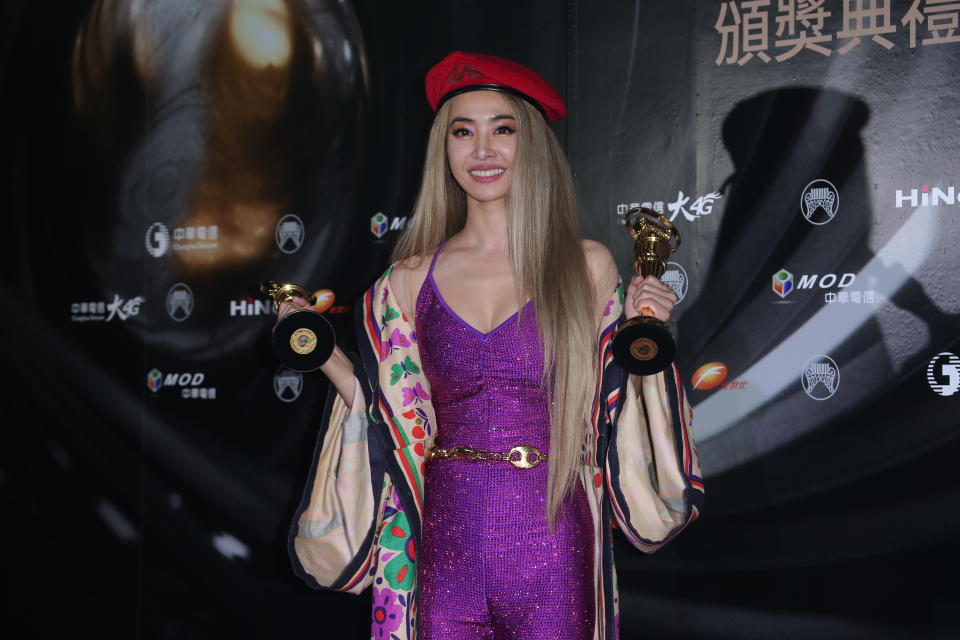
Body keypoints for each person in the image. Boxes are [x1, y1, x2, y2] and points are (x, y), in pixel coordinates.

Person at [283, 51, 703, 640]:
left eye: (502, 129)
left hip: (553, 538)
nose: (483, 150)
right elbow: (388, 413)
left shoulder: (585, 266)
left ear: (530, 144)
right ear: (444, 149)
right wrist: (319, 349)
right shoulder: (406, 278)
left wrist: (645, 331)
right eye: (463, 131)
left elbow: (617, 405)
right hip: (441, 538)